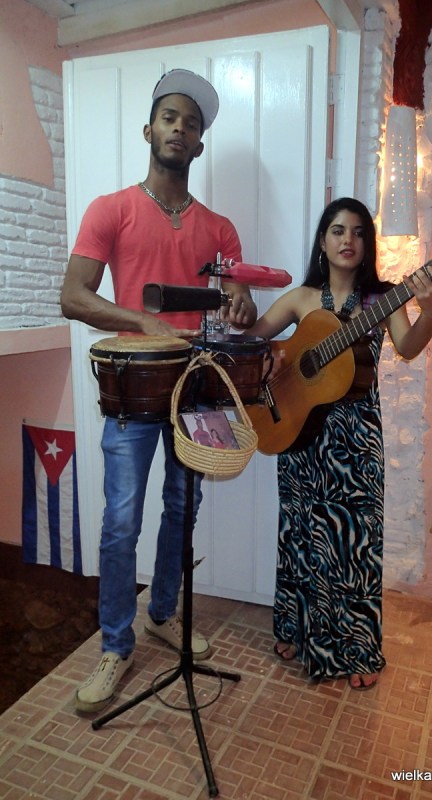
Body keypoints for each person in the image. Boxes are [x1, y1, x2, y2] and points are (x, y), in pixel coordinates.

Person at [60, 69, 257, 713]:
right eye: (169, 118)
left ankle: (163, 614)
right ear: (149, 130)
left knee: (183, 507)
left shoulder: (220, 228)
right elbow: (73, 296)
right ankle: (115, 645)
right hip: (134, 388)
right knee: (121, 520)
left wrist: (241, 307)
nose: (179, 129)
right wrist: (142, 321)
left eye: (190, 124)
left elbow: (240, 300)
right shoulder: (111, 209)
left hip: (197, 391)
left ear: (199, 144)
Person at [246, 197, 432, 690]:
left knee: (355, 544)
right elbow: (252, 341)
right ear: (323, 240)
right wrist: (270, 359)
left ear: (367, 243)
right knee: (300, 535)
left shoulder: (383, 299)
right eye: (338, 230)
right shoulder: (300, 299)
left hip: (356, 439)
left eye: (357, 232)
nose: (348, 240)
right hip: (299, 435)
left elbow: (409, 347)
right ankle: (295, 628)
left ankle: (358, 649)